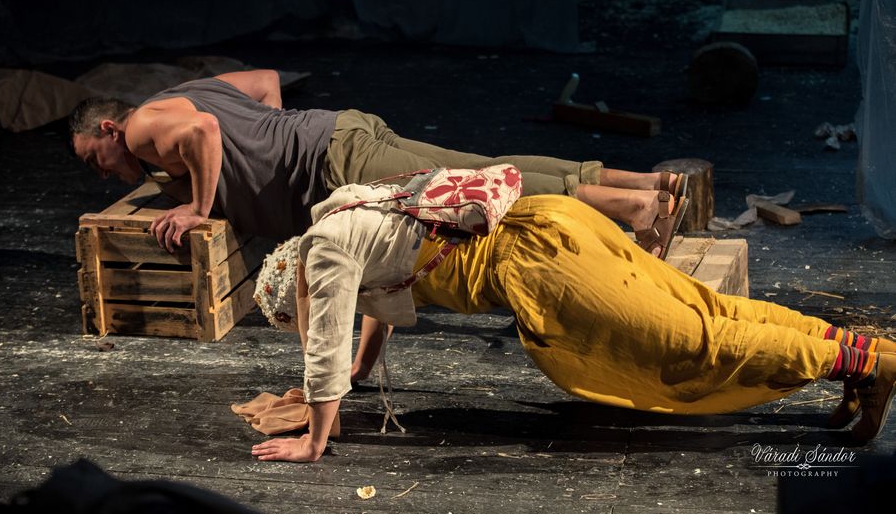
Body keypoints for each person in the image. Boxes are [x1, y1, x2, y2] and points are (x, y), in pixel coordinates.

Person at [247, 181, 896, 463]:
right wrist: (361, 371)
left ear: (294, 290)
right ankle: (859, 355)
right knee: (707, 310)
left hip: (542, 265)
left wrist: (315, 437)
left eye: (297, 311)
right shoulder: (344, 212)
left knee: (690, 340)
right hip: (549, 222)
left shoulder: (323, 255)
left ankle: (870, 367)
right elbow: (377, 298)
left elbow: (323, 340)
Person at [68, 69, 687, 258]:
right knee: (485, 167)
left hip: (333, 160)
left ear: (109, 129)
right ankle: (648, 185)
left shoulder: (144, 128)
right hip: (338, 133)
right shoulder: (183, 91)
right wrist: (270, 141)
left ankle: (634, 209)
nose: (102, 172)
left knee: (476, 190)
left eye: (96, 159)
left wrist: (198, 207)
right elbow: (263, 82)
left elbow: (204, 132)